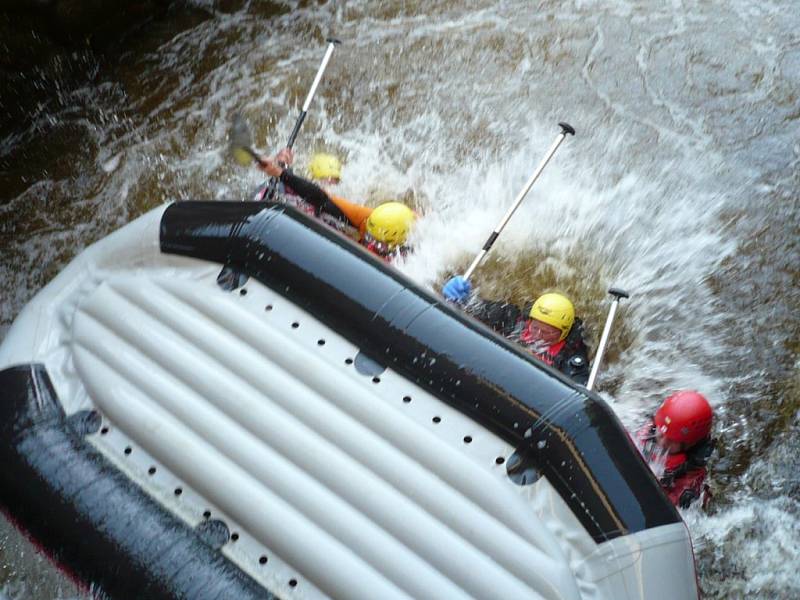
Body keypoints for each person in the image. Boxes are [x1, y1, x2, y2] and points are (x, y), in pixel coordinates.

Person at [258, 150, 416, 260]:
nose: (369, 243)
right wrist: (281, 172)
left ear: (394, 246)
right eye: (368, 236)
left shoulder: (405, 262)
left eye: (376, 243)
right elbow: (322, 199)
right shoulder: (369, 219)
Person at [441, 276, 591, 384]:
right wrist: (464, 297)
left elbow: (575, 384)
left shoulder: (572, 354)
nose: (537, 335)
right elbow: (477, 307)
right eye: (535, 327)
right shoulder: (513, 320)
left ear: (563, 333)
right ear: (530, 320)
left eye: (546, 333)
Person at [636, 390, 714, 509]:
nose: (663, 441)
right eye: (661, 433)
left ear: (691, 444)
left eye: (672, 440)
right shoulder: (648, 428)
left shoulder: (691, 481)